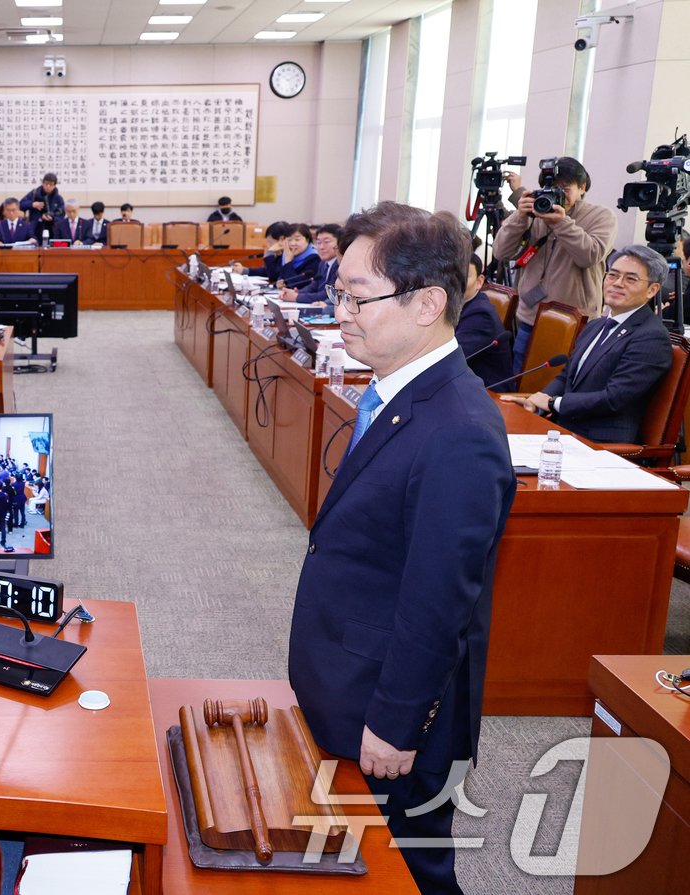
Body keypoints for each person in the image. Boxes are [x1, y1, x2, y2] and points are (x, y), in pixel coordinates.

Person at [288, 201, 515, 895]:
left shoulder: (458, 430)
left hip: (392, 717)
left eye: (357, 296)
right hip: (350, 678)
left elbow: (438, 601)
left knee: (409, 869)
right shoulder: (398, 394)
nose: (342, 311)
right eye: (339, 291)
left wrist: (393, 723)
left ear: (428, 304)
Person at [501, 245, 672, 443]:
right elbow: (566, 376)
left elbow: (613, 398)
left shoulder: (651, 337)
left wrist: (553, 402)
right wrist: (537, 401)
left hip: (602, 443)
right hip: (563, 429)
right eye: (613, 275)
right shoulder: (596, 325)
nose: (617, 283)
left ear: (652, 289)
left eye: (630, 279)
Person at [491, 156, 617, 369]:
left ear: (583, 187)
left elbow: (590, 255)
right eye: (552, 189)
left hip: (575, 321)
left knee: (562, 384)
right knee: (521, 380)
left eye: (565, 189)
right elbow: (501, 252)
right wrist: (520, 217)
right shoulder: (536, 212)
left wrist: (561, 223)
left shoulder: (601, 216)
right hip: (530, 318)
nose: (558, 195)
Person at [455, 254, 514, 389]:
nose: (457, 282)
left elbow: (450, 360)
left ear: (480, 281)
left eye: (464, 276)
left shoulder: (481, 315)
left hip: (489, 395)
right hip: (462, 385)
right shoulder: (452, 304)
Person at [285, 224, 342, 306]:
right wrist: (296, 292)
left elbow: (328, 294)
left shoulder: (339, 265)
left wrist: (297, 297)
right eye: (318, 242)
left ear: (340, 243)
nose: (321, 247)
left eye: (326, 242)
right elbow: (314, 285)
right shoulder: (323, 263)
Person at [22, 172, 65, 240]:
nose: (48, 186)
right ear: (43, 183)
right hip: (35, 228)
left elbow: (62, 217)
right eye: (46, 184)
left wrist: (52, 218)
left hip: (52, 230)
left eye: (51, 185)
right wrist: (32, 204)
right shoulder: (34, 193)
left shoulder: (58, 199)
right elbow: (21, 204)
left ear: (54, 185)